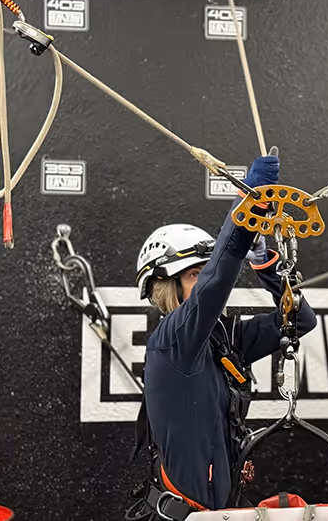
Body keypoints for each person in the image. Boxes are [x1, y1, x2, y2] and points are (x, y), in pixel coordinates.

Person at [127, 151, 318, 519]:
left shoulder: (223, 340)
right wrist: (250, 206)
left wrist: (265, 264)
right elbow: (218, 279)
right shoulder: (172, 343)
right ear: (165, 286)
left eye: (203, 270)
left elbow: (301, 320)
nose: (204, 280)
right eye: (193, 274)